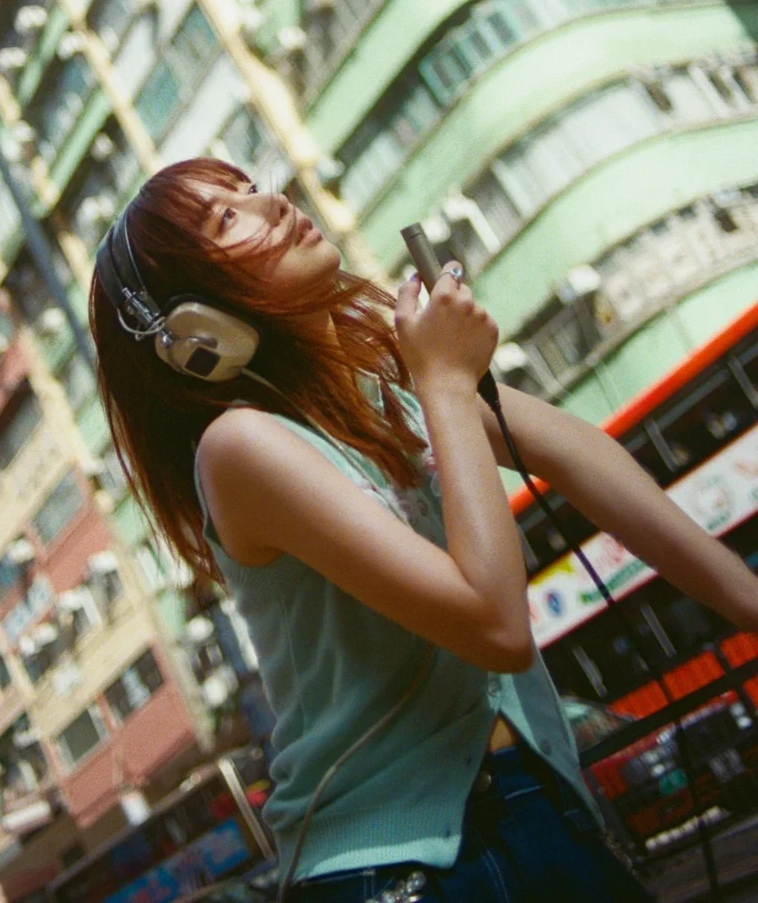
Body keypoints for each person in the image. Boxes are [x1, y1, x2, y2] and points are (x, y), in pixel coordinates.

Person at [88, 159, 758, 903]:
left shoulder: (391, 395)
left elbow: (579, 452)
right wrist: (443, 381)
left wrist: (749, 602)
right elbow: (493, 626)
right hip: (398, 872)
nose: (272, 204)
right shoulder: (241, 447)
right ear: (191, 331)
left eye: (250, 188)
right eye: (227, 219)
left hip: (536, 804)